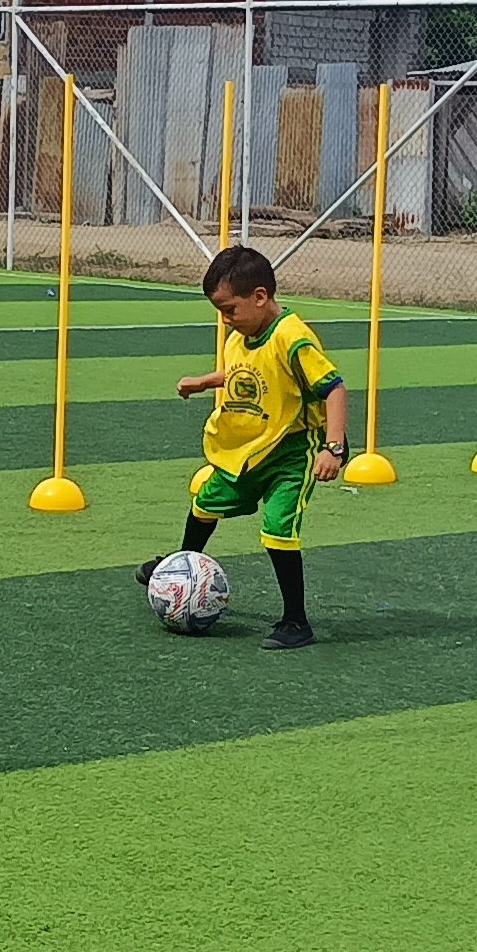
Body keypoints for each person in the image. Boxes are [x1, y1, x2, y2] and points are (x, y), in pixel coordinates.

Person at [146, 245, 344, 650]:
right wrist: (206, 381)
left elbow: (334, 389)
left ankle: (296, 622)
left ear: (260, 296)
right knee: (205, 502)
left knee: (278, 529)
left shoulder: (292, 337)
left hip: (292, 451)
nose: (225, 318)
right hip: (250, 450)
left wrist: (334, 448)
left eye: (229, 309)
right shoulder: (240, 336)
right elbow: (244, 372)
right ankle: (179, 569)